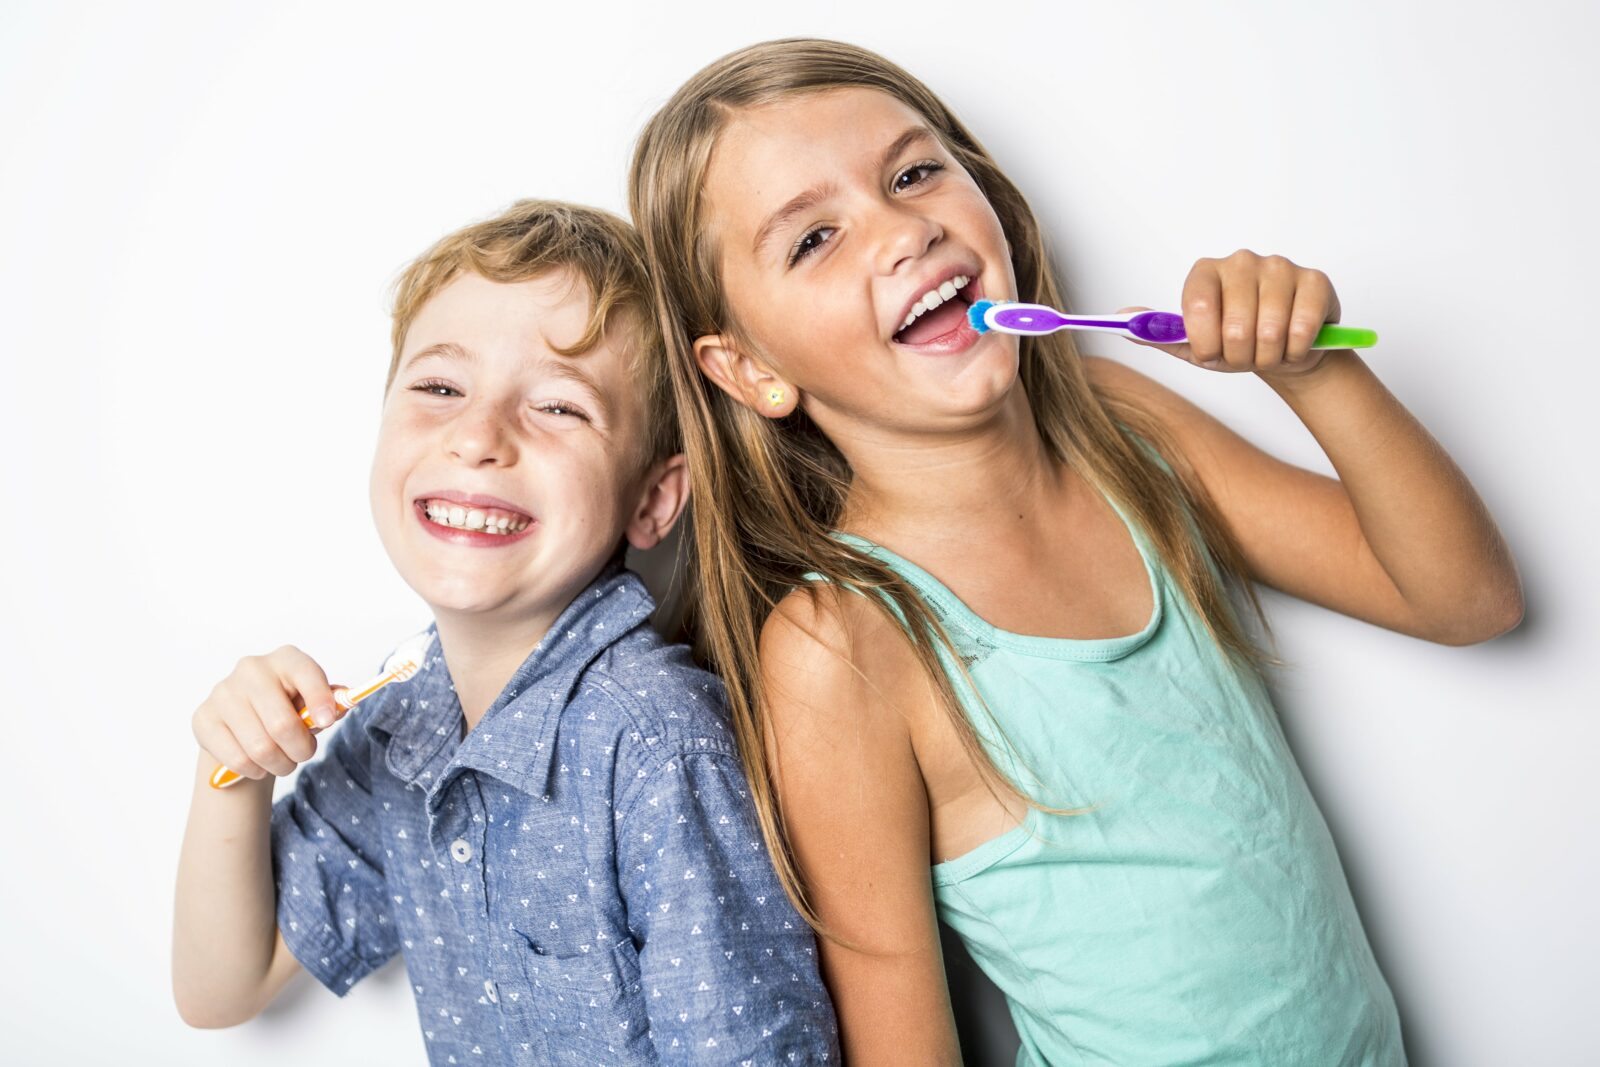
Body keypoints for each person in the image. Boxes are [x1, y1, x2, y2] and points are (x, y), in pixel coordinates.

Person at [627, 39, 1523, 1066]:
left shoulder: (1120, 428)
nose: (902, 231)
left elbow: (1467, 599)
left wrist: (1314, 372)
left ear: (991, 203)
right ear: (747, 370)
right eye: (814, 237)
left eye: (914, 173)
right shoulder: (844, 646)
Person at [171, 199, 840, 1065]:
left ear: (652, 499)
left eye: (559, 407)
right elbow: (223, 987)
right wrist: (231, 771)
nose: (477, 437)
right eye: (440, 388)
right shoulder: (402, 720)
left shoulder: (656, 747)